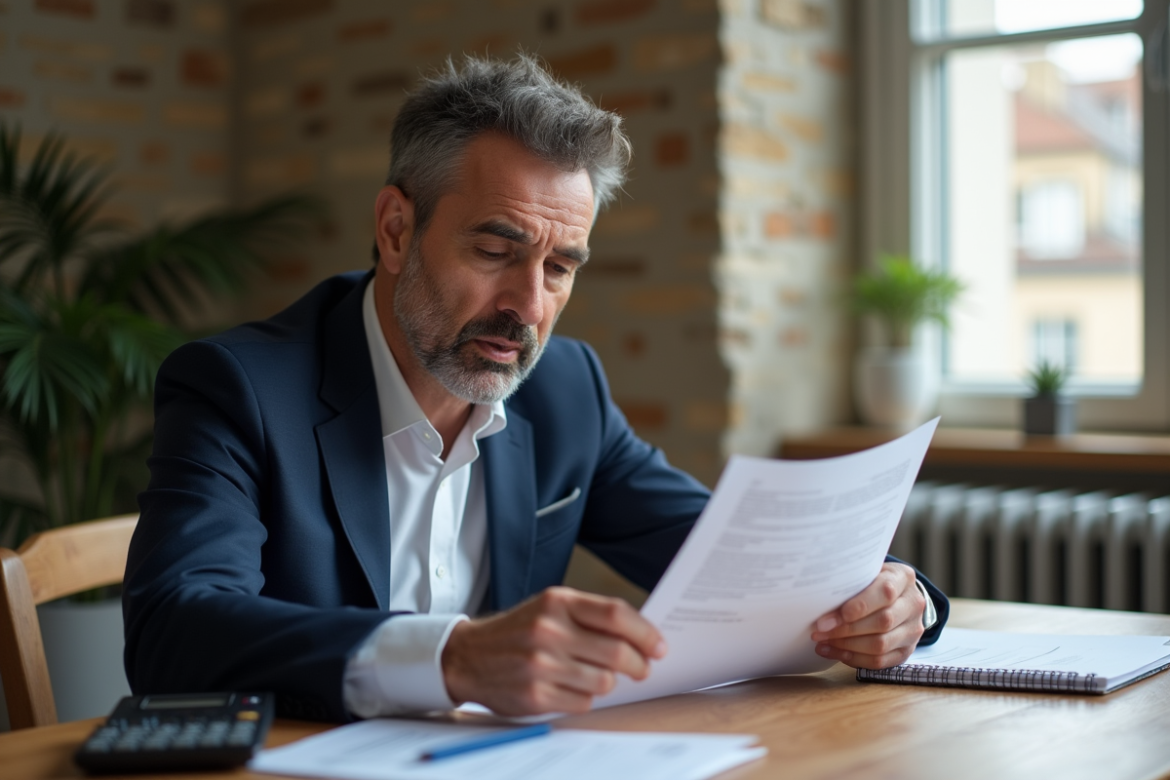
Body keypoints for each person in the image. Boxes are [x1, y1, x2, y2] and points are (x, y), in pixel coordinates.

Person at [123, 55, 947, 723]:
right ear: (397, 230)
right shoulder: (239, 386)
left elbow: (735, 561)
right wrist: (452, 656)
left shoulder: (566, 391)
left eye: (560, 267)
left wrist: (895, 600)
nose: (528, 306)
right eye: (495, 250)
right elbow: (175, 627)